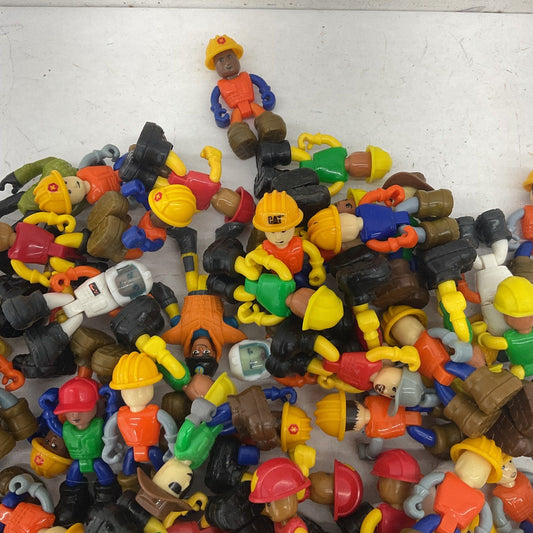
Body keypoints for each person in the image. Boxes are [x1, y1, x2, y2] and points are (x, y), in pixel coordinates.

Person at [205, 34, 286, 159]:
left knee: (266, 118)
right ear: (215, 67)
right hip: (236, 110)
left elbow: (261, 84)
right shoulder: (220, 86)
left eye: (229, 57)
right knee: (236, 127)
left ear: (236, 58)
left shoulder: (247, 77)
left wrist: (266, 92)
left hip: (252, 104)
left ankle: (272, 130)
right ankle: (243, 142)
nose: (227, 63)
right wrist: (217, 110)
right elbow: (214, 100)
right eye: (221, 60)